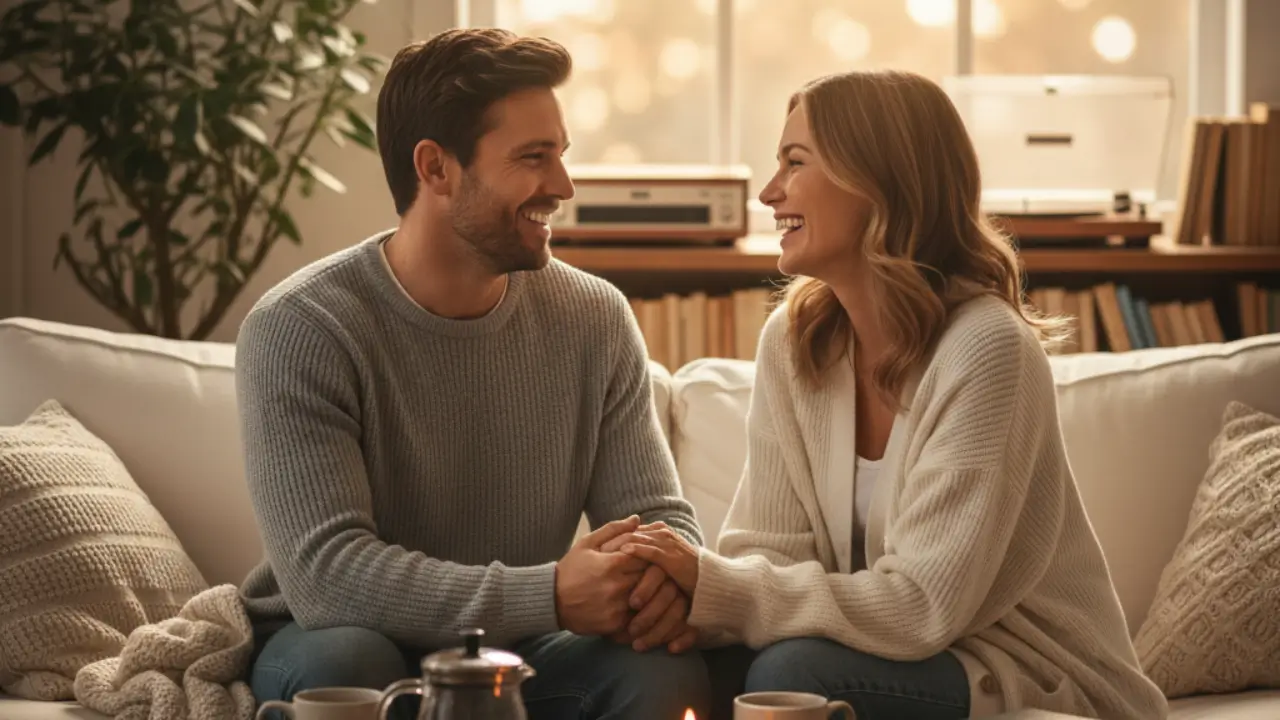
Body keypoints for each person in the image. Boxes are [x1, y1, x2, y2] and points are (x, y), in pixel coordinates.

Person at [610, 70, 1170, 720]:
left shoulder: (988, 349)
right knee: (673, 664)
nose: (769, 192)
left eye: (795, 163)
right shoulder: (794, 342)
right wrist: (687, 605)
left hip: (1024, 667)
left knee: (791, 674)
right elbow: (768, 551)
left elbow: (923, 605)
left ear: (874, 181)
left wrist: (716, 589)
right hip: (889, 655)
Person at [234, 28, 711, 720]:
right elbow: (327, 576)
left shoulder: (595, 318)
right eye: (533, 158)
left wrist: (660, 582)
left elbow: (659, 520)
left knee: (662, 672)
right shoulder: (303, 327)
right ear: (436, 168)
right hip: (331, 638)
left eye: (561, 155)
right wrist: (550, 594)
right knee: (349, 665)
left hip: (517, 650)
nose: (563, 187)